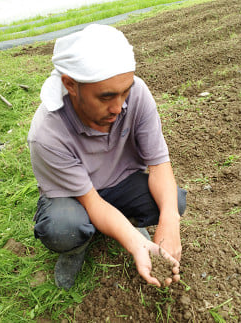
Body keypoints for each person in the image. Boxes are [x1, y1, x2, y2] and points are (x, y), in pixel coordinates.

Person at [27, 24, 187, 290]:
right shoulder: (46, 133)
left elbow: (159, 165)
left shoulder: (137, 94)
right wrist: (136, 245)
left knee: (173, 202)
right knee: (62, 228)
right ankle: (77, 247)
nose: (119, 106)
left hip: (120, 183)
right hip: (75, 196)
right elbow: (91, 201)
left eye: (125, 92)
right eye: (106, 97)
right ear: (70, 84)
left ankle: (127, 226)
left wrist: (170, 224)